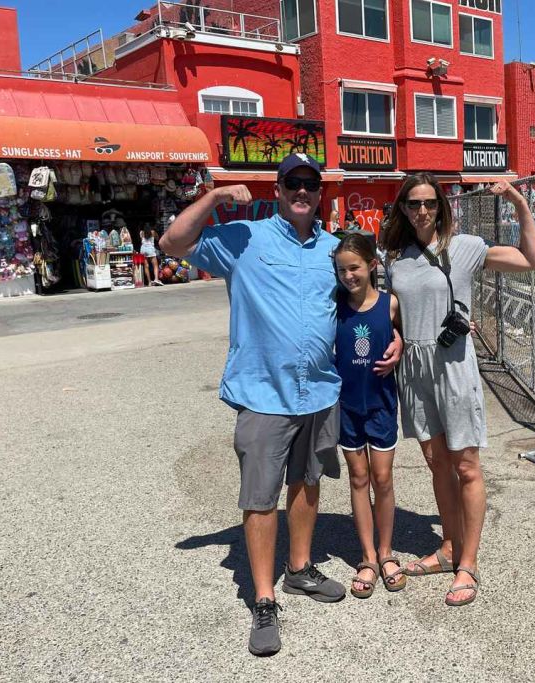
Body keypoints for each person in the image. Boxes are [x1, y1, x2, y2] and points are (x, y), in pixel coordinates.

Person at [159, 153, 401, 657]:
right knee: (260, 495)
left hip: (319, 391)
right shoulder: (244, 238)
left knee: (307, 481)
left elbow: (368, 299)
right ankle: (265, 599)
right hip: (263, 392)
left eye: (310, 183)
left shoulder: (334, 249)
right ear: (278, 188)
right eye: (293, 182)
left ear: (320, 192)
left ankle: (299, 568)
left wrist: (395, 336)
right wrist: (214, 196)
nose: (302, 191)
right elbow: (172, 243)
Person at [381, 173, 535, 607]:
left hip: (452, 366)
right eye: (413, 204)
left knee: (466, 465)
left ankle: (467, 563)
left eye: (429, 203)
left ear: (441, 206)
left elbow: (532, 259)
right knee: (437, 464)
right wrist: (394, 336)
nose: (422, 211)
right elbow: (394, 312)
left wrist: (518, 203)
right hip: (415, 368)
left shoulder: (465, 247)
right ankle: (449, 547)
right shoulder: (395, 258)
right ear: (402, 209)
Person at [332, 233, 406, 599]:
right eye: (342, 270)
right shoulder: (334, 306)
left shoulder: (390, 304)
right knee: (358, 477)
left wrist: (400, 344)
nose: (348, 276)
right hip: (347, 406)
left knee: (383, 478)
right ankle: (367, 558)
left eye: (355, 268)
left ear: (372, 265)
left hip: (381, 403)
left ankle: (386, 552)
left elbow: (404, 337)